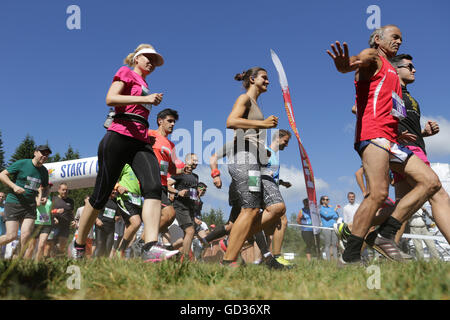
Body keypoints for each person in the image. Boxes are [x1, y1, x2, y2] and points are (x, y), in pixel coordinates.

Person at [327, 25, 446, 263]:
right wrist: (344, 65)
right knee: (379, 193)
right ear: (378, 39)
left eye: (401, 38)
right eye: (395, 37)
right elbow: (354, 62)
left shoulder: (392, 72)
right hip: (372, 135)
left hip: (392, 139)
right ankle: (350, 255)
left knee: (431, 183)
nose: (399, 42)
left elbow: (390, 110)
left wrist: (401, 132)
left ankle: (385, 234)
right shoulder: (373, 56)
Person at [73, 43, 178, 262]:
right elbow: (110, 99)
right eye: (147, 57)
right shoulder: (126, 73)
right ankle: (79, 243)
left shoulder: (146, 83)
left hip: (140, 141)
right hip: (119, 135)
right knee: (101, 196)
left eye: (154, 60)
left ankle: (149, 246)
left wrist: (147, 99)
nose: (151, 62)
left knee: (153, 187)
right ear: (136, 58)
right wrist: (145, 99)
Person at [222, 67, 286, 267]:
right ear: (252, 79)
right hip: (243, 158)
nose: (268, 81)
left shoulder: (256, 104)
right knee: (250, 208)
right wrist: (265, 125)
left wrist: (263, 151)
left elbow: (249, 132)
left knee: (277, 207)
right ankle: (228, 261)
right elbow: (231, 121)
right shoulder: (245, 99)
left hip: (257, 161)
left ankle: (234, 240)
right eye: (264, 78)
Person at [0, 145, 51, 258]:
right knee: (11, 236)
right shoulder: (22, 163)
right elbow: (2, 175)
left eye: (47, 154)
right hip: (14, 202)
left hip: (30, 206)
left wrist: (45, 196)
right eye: (43, 153)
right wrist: (13, 186)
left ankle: (18, 262)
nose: (45, 156)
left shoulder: (43, 171)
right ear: (35, 153)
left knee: (26, 235)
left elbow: (46, 187)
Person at [148, 108, 181, 234]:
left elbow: (172, 169)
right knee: (169, 213)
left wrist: (185, 168)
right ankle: (145, 243)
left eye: (174, 122)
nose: (173, 124)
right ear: (160, 121)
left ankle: (144, 243)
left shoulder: (171, 145)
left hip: (162, 184)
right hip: (148, 180)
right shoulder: (150, 134)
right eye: (170, 121)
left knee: (168, 216)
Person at [167, 153, 200, 260]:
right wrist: (177, 192)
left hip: (190, 208)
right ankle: (185, 259)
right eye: (194, 160)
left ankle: (170, 250)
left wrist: (196, 195)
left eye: (197, 161)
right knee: (190, 231)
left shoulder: (196, 177)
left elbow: (193, 195)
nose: (196, 162)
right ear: (187, 160)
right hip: (180, 206)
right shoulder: (179, 173)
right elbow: (166, 184)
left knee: (189, 234)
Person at [24, 185, 53, 260]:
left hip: (46, 224)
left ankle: (37, 265)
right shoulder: (35, 196)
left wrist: (53, 217)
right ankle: (25, 264)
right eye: (46, 187)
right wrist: (40, 193)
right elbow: (38, 204)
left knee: (41, 245)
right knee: (31, 247)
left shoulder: (50, 198)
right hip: (35, 223)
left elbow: (48, 210)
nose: (48, 188)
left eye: (49, 187)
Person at [50, 183, 75, 256]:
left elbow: (71, 213)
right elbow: (48, 211)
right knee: (51, 244)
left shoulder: (71, 201)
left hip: (65, 226)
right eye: (63, 190)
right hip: (54, 225)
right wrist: (54, 217)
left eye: (66, 190)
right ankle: (51, 258)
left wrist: (73, 221)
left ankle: (57, 256)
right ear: (58, 190)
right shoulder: (53, 199)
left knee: (62, 244)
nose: (65, 192)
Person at [94, 190, 118, 257]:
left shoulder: (116, 202)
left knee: (108, 247)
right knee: (100, 245)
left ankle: (104, 263)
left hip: (111, 228)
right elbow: (93, 211)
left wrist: (118, 217)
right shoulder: (102, 200)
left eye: (116, 191)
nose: (114, 192)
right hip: (100, 227)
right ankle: (95, 262)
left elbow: (117, 215)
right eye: (112, 190)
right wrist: (97, 220)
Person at [319, 196, 339, 260]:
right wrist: (334, 210)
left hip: (333, 228)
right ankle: (328, 261)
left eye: (328, 199)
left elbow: (336, 216)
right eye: (325, 199)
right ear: (322, 201)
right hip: (326, 228)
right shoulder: (321, 208)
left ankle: (336, 260)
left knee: (335, 245)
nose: (327, 200)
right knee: (327, 245)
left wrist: (332, 212)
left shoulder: (331, 208)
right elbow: (326, 216)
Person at [0, 191, 6, 258]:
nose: (1, 198)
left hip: (2, 235)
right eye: (0, 196)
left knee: (2, 253)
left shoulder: (6, 207)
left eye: (2, 197)